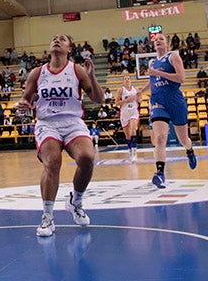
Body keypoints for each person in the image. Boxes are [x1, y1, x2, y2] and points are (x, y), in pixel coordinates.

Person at [17, 34, 103, 238]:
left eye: (62, 39)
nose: (56, 40)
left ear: (69, 49)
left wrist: (91, 76)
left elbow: (98, 99)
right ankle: (47, 217)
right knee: (53, 162)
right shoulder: (37, 73)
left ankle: (76, 201)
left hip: (72, 122)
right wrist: (23, 105)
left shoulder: (77, 70)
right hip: (48, 124)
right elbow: (26, 101)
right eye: (54, 38)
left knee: (87, 157)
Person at [142, 33, 198, 188]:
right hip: (158, 102)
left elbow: (181, 78)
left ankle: (189, 150)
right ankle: (160, 173)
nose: (158, 41)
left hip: (175, 101)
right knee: (160, 138)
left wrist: (158, 73)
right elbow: (153, 80)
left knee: (183, 139)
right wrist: (141, 91)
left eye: (161, 39)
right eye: (156, 40)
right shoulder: (152, 62)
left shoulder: (173, 57)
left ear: (167, 44)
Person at [116, 74, 140, 160]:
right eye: (125, 79)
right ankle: (130, 149)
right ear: (123, 81)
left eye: (128, 78)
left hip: (133, 111)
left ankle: (134, 150)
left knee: (133, 130)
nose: (126, 80)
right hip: (124, 112)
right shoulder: (121, 90)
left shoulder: (135, 89)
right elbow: (117, 103)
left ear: (131, 80)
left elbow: (139, 99)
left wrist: (138, 99)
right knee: (128, 135)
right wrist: (127, 100)